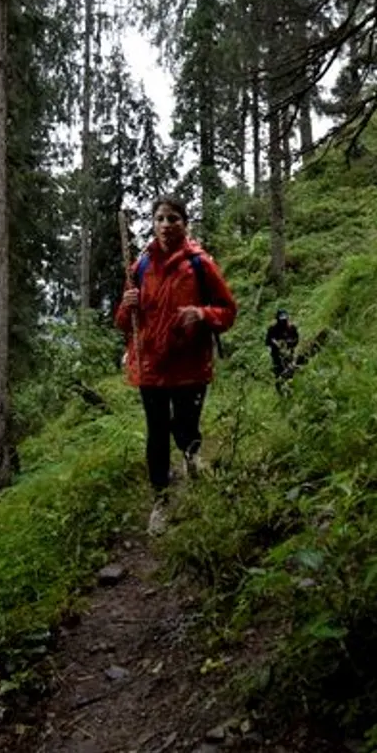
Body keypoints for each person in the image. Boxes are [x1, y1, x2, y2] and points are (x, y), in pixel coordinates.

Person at [116, 196, 237, 518]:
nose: (166, 225)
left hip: (190, 365)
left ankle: (192, 462)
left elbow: (228, 311)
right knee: (156, 432)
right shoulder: (140, 266)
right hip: (151, 365)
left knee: (185, 426)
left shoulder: (200, 264)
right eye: (160, 219)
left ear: (185, 223)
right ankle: (161, 498)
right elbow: (123, 324)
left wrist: (201, 312)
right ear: (153, 224)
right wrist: (127, 306)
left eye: (173, 218)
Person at [265, 309, 300, 388]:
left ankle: (292, 386)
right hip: (277, 357)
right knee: (279, 375)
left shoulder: (291, 328)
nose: (283, 322)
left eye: (285, 319)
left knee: (291, 372)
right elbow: (267, 342)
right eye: (281, 320)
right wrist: (276, 344)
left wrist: (289, 343)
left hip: (289, 354)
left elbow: (296, 339)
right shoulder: (272, 329)